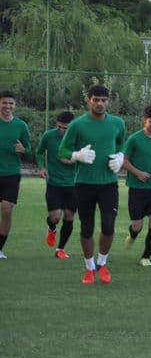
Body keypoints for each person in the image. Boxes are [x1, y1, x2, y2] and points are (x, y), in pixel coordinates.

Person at [58, 85, 126, 284]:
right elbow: (62, 150)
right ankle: (89, 268)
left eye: (104, 100)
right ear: (88, 100)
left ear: (108, 101)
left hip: (109, 184)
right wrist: (76, 155)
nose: (100, 103)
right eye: (96, 99)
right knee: (87, 228)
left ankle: (102, 263)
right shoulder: (78, 125)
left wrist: (120, 157)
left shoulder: (117, 123)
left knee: (108, 225)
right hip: (84, 184)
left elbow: (122, 143)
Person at [122, 105, 151, 267]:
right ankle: (132, 235)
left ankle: (146, 256)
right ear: (144, 120)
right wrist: (138, 173)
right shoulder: (134, 139)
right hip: (137, 189)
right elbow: (124, 161)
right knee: (137, 226)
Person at [36, 110, 77, 259]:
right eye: (60, 127)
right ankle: (52, 228)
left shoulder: (79, 138)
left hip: (73, 184)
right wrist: (41, 167)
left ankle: (60, 249)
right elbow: (39, 152)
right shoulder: (49, 136)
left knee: (69, 216)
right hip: (54, 183)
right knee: (55, 217)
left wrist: (74, 159)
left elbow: (87, 156)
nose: (62, 130)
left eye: (66, 128)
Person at [0, 90, 32, 260]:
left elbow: (29, 149)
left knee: (6, 210)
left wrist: (23, 150)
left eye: (11, 103)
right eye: (4, 102)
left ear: (15, 106)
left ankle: (0, 248)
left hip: (11, 173)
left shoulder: (21, 126)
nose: (7, 106)